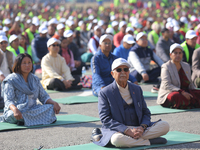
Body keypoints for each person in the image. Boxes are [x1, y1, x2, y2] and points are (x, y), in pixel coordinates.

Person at [91, 58, 169, 147]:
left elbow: (146, 112)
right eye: (119, 70)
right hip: (118, 130)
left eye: (126, 69)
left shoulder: (137, 89)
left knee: (165, 125)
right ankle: (149, 141)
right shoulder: (105, 92)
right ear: (112, 74)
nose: (123, 72)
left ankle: (134, 139)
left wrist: (142, 127)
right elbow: (105, 118)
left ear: (129, 72)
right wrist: (127, 130)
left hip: (138, 128)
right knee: (117, 140)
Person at [0, 53, 61, 126]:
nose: (27, 65)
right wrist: (15, 109)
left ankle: (24, 120)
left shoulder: (35, 79)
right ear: (18, 65)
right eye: (24, 63)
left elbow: (43, 96)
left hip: (33, 110)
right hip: (17, 110)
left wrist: (54, 103)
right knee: (12, 114)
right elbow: (8, 100)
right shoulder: (11, 80)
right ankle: (27, 119)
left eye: (29, 62)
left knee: (50, 108)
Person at [157, 43, 200, 109]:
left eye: (180, 53)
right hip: (170, 92)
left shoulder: (186, 66)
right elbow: (167, 85)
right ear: (170, 55)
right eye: (175, 53)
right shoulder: (166, 66)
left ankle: (188, 102)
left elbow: (190, 83)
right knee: (175, 96)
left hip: (185, 91)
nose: (178, 55)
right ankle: (190, 102)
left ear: (182, 54)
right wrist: (182, 92)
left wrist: (194, 92)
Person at [0, 36, 15, 109]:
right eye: (1, 43)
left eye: (5, 42)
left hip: (9, 75)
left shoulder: (11, 53)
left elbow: (16, 65)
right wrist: (1, 75)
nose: (3, 44)